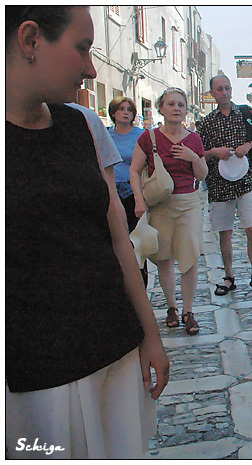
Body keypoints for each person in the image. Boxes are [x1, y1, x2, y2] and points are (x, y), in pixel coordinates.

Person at [5, 6, 169, 459]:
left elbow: (117, 237)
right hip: (35, 378)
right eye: (81, 49)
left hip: (112, 351)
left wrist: (149, 333)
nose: (91, 67)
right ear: (31, 40)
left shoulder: (81, 126)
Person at [130, 87, 208, 335]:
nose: (176, 108)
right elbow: (134, 170)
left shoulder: (194, 139)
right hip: (161, 204)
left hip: (188, 203)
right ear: (161, 108)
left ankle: (188, 310)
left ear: (186, 110)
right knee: (163, 258)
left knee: (189, 256)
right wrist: (139, 201)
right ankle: (172, 307)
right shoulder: (148, 138)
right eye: (171, 104)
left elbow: (203, 174)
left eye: (181, 105)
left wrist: (192, 157)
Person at [196, 74, 252, 298]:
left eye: (227, 87)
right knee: (225, 232)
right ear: (213, 93)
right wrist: (213, 152)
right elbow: (200, 153)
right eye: (219, 89)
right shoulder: (207, 122)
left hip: (245, 178)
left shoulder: (246, 113)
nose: (225, 92)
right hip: (219, 182)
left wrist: (248, 145)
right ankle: (229, 276)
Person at [107, 96, 148, 285]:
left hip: (133, 194)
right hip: (111, 194)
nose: (125, 112)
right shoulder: (106, 135)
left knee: (136, 241)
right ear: (113, 112)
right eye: (121, 109)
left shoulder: (141, 135)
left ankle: (140, 282)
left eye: (129, 109)